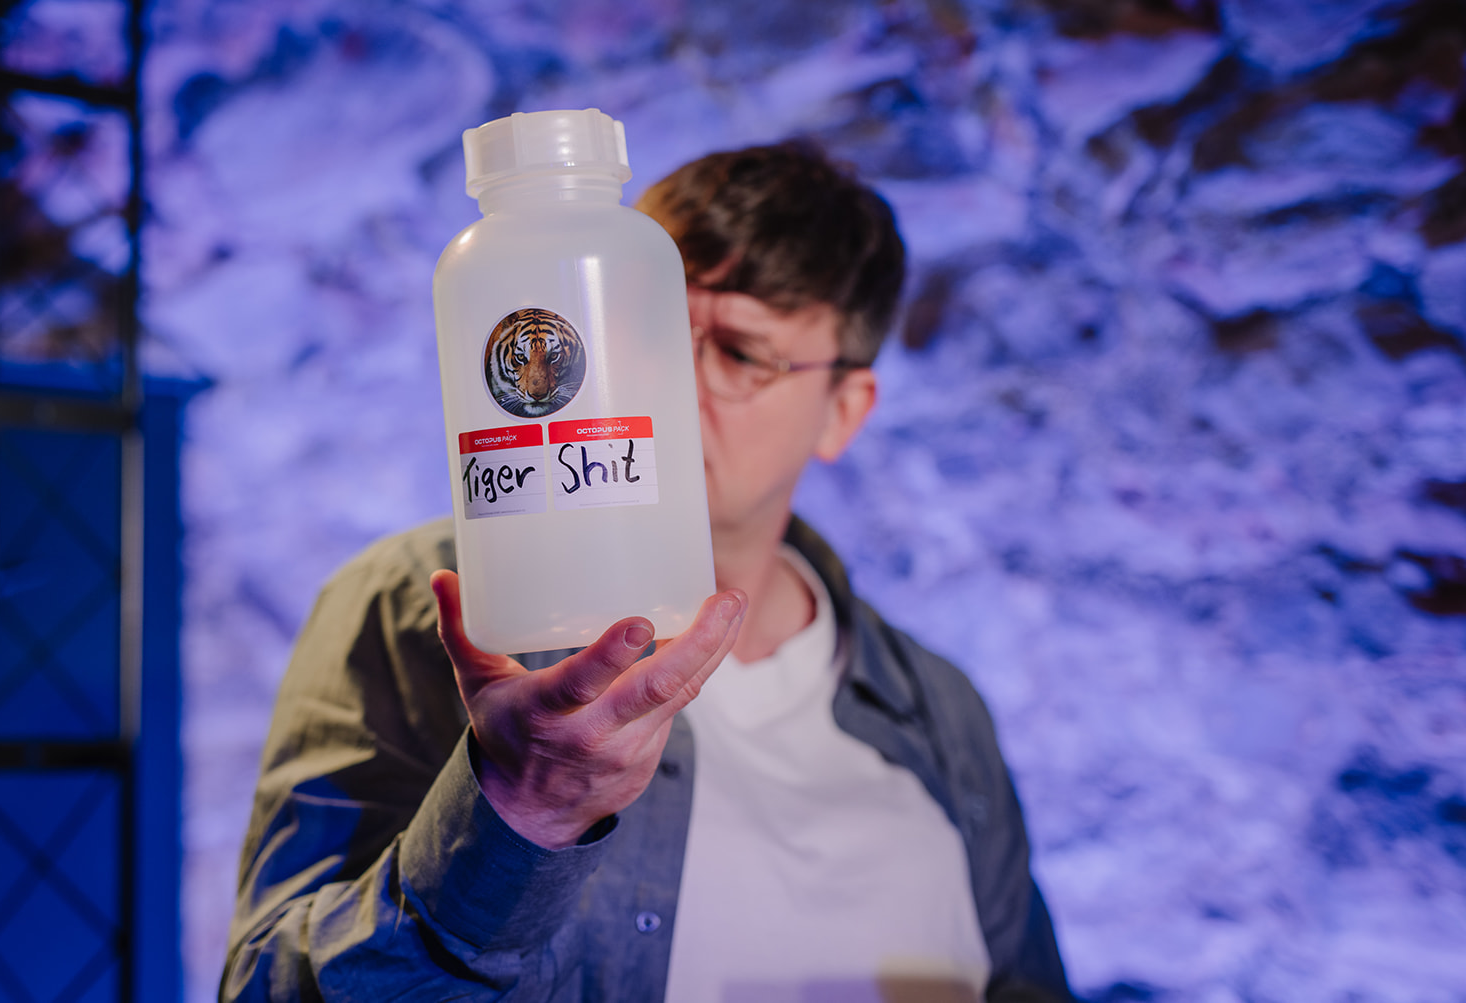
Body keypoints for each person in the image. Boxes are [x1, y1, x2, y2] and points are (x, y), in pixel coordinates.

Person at [222, 142, 1073, 1002]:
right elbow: (266, 988)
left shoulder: (942, 715)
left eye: (740, 353)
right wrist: (514, 821)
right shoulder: (429, 607)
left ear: (842, 412)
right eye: (646, 325)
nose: (673, 380)